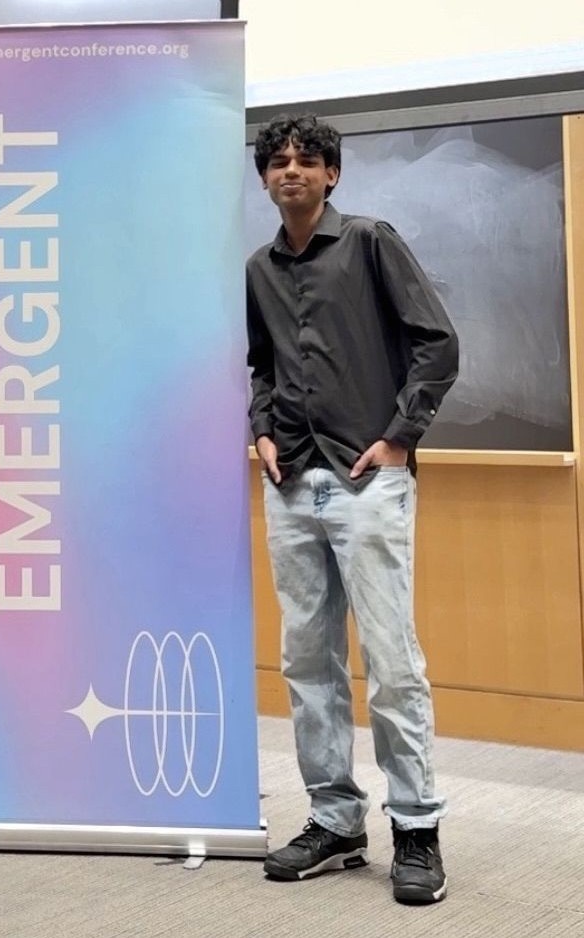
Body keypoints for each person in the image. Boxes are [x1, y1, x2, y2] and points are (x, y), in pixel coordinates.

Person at [245, 114, 459, 905]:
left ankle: (416, 828)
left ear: (332, 174)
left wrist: (401, 438)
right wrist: (261, 429)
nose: (291, 171)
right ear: (264, 177)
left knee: (392, 665)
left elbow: (438, 343)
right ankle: (334, 821)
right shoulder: (258, 268)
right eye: (278, 162)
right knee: (308, 662)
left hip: (370, 478)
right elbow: (261, 361)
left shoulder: (371, 240)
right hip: (293, 483)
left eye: (307, 160)